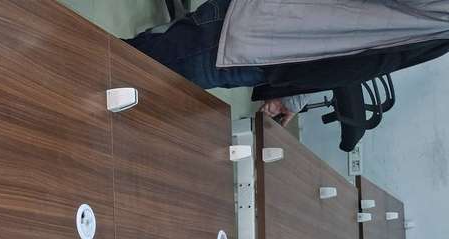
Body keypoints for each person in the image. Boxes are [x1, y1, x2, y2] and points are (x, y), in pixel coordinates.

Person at [128, 0, 449, 125]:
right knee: (125, 71)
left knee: (133, 81)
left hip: (266, 51)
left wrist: (297, 92)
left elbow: (365, 45)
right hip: (253, 30)